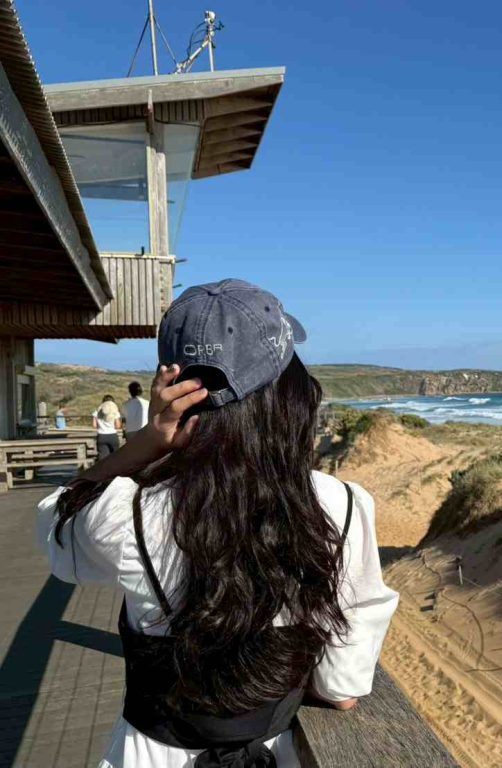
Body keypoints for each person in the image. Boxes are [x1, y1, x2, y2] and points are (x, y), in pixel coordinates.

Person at [36, 279, 398, 768]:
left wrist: (145, 442)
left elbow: (56, 526)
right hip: (278, 752)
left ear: (174, 392)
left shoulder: (129, 512)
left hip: (150, 755)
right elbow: (343, 688)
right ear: (289, 391)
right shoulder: (342, 505)